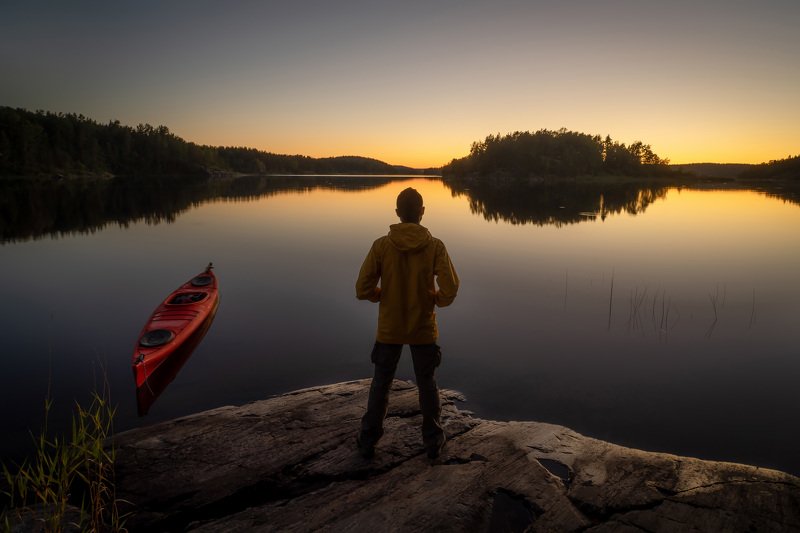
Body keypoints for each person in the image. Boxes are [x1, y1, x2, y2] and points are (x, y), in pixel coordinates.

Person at [355, 187, 460, 460]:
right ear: (422, 212)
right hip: (422, 328)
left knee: (381, 384)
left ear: (397, 213)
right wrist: (437, 300)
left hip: (389, 328)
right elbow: (450, 288)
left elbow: (362, 288)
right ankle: (433, 442)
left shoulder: (381, 245)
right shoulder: (435, 246)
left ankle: (367, 442)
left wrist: (380, 295)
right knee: (427, 384)